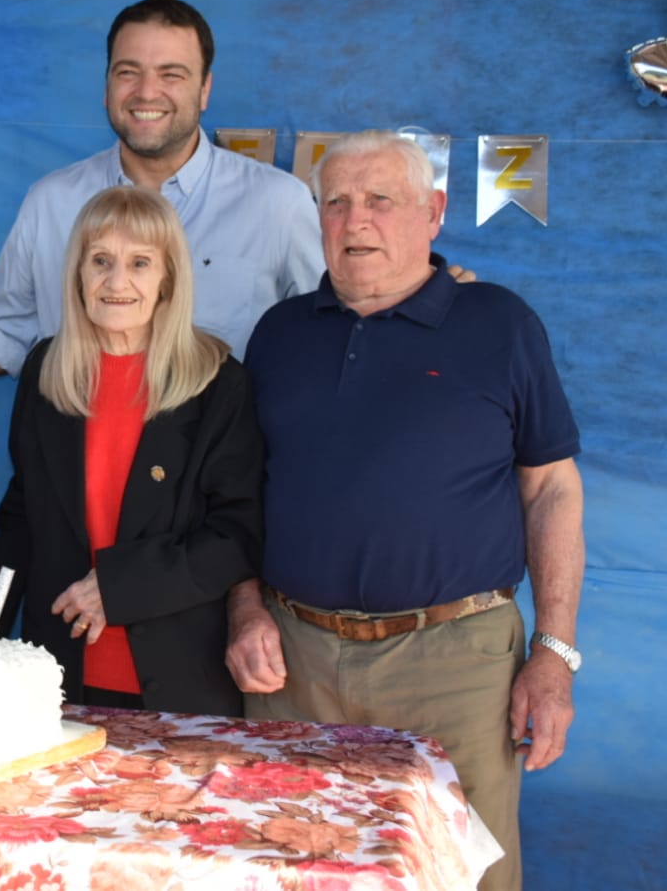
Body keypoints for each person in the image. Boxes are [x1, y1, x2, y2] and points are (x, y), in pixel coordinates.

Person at [224, 131, 584, 891]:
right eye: (336, 203)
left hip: (455, 663)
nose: (356, 221)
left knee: (465, 870)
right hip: (297, 664)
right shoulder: (278, 335)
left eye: (380, 201)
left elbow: (550, 487)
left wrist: (553, 653)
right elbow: (237, 497)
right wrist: (244, 606)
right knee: (293, 863)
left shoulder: (498, 324)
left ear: (434, 213)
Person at [0, 0, 323, 379]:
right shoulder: (51, 201)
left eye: (171, 74)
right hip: (76, 458)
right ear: (107, 85)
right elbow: (5, 339)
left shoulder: (278, 204)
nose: (146, 92)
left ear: (205, 88)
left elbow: (324, 340)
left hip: (223, 462)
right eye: (127, 72)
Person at [0, 186, 263, 715]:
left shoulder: (217, 383)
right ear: (77, 275)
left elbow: (236, 535)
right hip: (57, 678)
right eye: (101, 261)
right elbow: (20, 520)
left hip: (179, 677)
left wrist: (119, 587)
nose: (117, 282)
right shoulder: (47, 371)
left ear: (167, 279)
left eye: (139, 263)